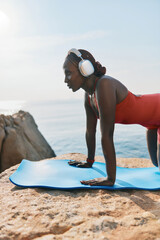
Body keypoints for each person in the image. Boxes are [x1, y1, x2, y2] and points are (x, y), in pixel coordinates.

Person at [63, 48, 160, 186]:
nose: (65, 80)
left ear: (84, 69)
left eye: (68, 73)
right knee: (157, 165)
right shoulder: (89, 96)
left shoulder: (104, 85)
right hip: (151, 123)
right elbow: (90, 132)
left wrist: (110, 179)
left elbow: (107, 135)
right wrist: (89, 162)